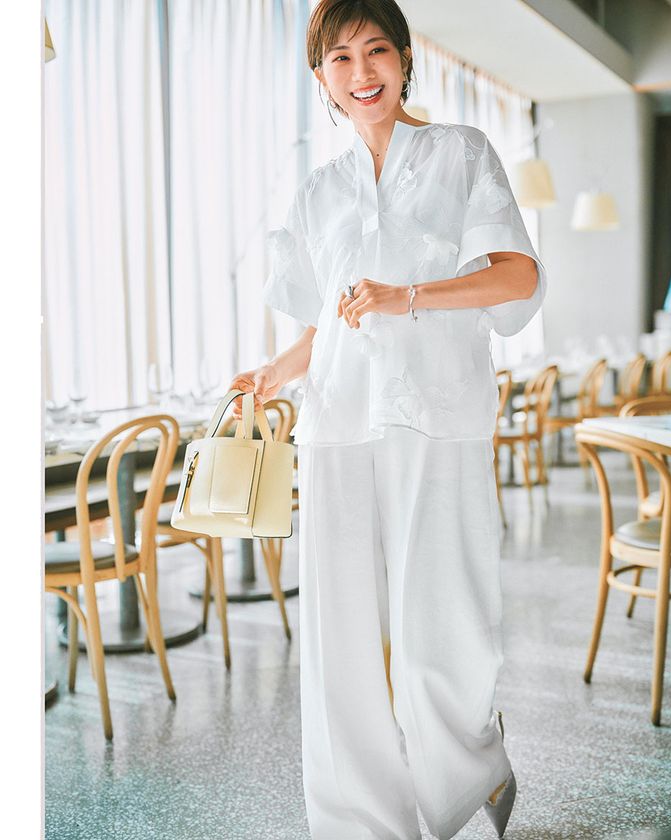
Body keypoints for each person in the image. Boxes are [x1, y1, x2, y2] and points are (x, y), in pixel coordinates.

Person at [229, 1, 547, 837]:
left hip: (439, 420)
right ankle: (362, 823)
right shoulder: (316, 195)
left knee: (443, 627)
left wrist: (407, 295)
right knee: (343, 643)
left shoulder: (460, 154)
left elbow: (516, 278)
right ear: (322, 78)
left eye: (376, 50)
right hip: (337, 426)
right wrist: (273, 373)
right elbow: (324, 325)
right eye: (340, 57)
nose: (361, 71)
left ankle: (470, 778)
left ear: (405, 60)